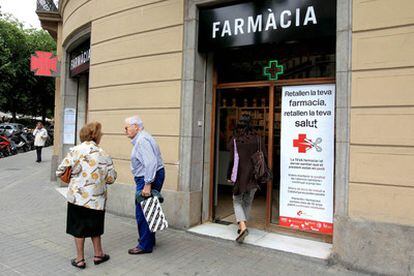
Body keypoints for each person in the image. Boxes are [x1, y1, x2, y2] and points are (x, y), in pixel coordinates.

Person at [56, 122, 117, 269]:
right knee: (95, 227)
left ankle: (80, 259)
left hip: (77, 197)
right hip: (97, 199)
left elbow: (60, 171)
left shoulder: (75, 151)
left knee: (78, 228)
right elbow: (111, 178)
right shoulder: (104, 154)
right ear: (96, 136)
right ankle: (98, 254)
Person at [124, 115, 165, 255]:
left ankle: (144, 245)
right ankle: (148, 239)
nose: (125, 130)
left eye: (127, 127)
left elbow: (151, 163)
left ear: (136, 126)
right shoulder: (143, 138)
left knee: (142, 211)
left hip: (147, 179)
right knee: (149, 208)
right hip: (150, 176)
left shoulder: (142, 141)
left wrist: (147, 184)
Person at [227, 114, 264, 243]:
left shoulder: (236, 140)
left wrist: (228, 176)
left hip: (240, 176)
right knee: (247, 201)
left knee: (237, 201)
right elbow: (263, 155)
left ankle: (242, 227)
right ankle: (243, 226)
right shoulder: (258, 139)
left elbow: (232, 160)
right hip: (254, 175)